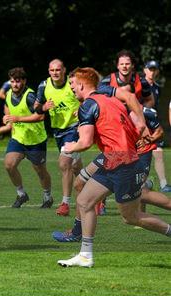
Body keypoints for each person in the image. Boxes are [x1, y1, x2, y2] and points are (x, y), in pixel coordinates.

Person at [57, 67, 171, 268]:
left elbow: (84, 142)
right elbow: (130, 97)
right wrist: (142, 123)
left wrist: (69, 147)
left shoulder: (88, 106)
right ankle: (85, 255)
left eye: (72, 84)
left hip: (122, 162)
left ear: (82, 85)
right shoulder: (107, 96)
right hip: (117, 159)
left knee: (131, 217)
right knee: (84, 201)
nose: (72, 89)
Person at [35, 59, 83, 216]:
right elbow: (35, 107)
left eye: (58, 70)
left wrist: (83, 108)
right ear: (49, 71)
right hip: (58, 132)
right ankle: (97, 196)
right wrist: (43, 107)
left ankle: (65, 204)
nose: (55, 72)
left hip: (75, 128)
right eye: (52, 70)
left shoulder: (72, 83)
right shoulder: (44, 85)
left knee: (64, 163)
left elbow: (89, 96)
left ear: (64, 70)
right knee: (75, 167)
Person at [2, 67, 53, 208]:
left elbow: (40, 115)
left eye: (18, 81)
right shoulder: (8, 93)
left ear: (24, 81)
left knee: (40, 171)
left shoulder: (30, 96)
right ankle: (21, 194)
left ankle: (47, 197)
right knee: (9, 165)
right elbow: (7, 106)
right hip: (18, 138)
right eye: (12, 81)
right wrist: (6, 117)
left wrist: (18, 118)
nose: (15, 84)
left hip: (36, 140)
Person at [144, 60, 171, 192]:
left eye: (155, 69)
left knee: (158, 153)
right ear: (145, 70)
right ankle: (145, 181)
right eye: (150, 69)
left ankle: (163, 184)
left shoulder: (157, 88)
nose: (152, 72)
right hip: (140, 126)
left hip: (153, 125)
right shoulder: (139, 85)